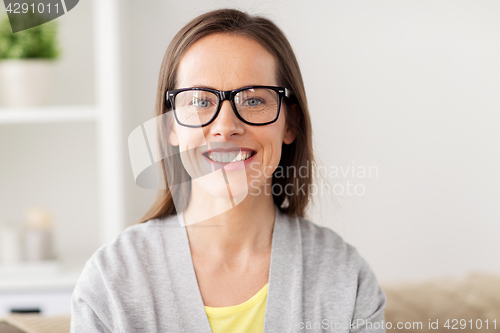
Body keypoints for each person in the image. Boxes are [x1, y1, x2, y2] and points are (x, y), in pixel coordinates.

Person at [70, 8, 387, 333]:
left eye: (252, 101)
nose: (225, 127)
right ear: (170, 126)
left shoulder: (347, 279)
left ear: (290, 123)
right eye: (199, 101)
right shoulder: (111, 282)